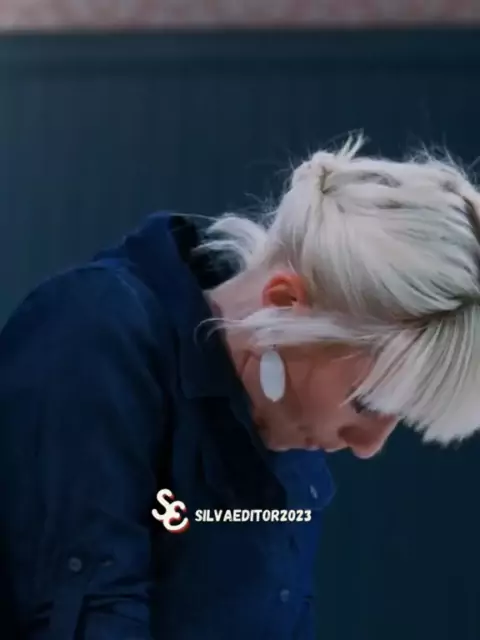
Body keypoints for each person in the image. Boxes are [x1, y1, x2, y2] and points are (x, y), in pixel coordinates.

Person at [1, 134, 480, 640]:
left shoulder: (291, 431)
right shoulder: (96, 335)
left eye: (399, 414)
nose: (368, 446)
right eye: (366, 402)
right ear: (284, 304)